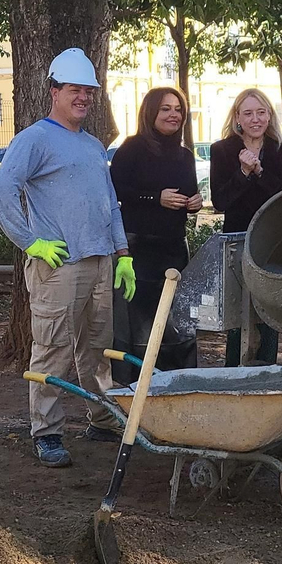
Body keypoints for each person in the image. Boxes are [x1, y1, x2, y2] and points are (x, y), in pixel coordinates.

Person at [0, 48, 136, 468]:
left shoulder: (92, 146)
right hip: (58, 266)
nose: (83, 98)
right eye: (75, 90)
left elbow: (109, 203)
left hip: (100, 261)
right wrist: (30, 242)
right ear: (54, 91)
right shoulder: (34, 139)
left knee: (98, 349)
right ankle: (47, 432)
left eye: (88, 92)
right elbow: (2, 189)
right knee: (52, 347)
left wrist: (122, 253)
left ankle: (101, 419)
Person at [108, 87, 203, 385]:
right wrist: (154, 198)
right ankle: (136, 389)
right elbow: (117, 192)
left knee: (177, 323)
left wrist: (194, 203)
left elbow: (187, 195)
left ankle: (176, 385)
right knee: (140, 327)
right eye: (165, 108)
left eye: (178, 109)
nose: (173, 114)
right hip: (138, 249)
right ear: (150, 113)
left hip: (174, 249)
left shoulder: (185, 156)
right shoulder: (131, 149)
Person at [210, 88, 282, 367]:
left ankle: (266, 370)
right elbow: (221, 200)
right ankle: (233, 372)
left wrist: (259, 172)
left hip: (272, 241)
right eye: (248, 113)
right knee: (238, 312)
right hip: (236, 241)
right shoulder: (222, 150)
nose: (255, 119)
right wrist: (243, 173)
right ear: (237, 118)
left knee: (269, 311)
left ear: (270, 116)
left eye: (261, 112)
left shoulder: (281, 150)